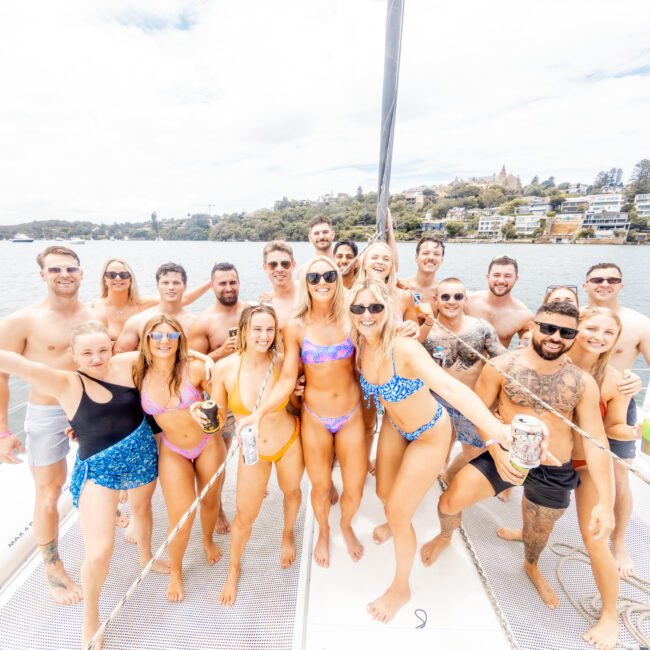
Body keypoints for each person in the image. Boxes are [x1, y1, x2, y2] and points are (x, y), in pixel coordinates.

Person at [421, 301, 615, 620]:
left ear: (574, 336)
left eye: (566, 332)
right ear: (533, 326)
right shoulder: (501, 365)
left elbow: (596, 443)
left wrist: (605, 503)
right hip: (506, 454)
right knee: (449, 499)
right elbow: (478, 413)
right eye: (548, 327)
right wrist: (495, 451)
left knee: (538, 534)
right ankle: (444, 536)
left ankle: (531, 565)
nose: (556, 336)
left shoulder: (583, 383)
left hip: (553, 468)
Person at [349, 278, 512, 623]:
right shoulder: (361, 344)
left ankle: (400, 586)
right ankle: (395, 522)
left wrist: (495, 430)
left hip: (428, 433)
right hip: (395, 425)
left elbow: (449, 387)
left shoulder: (404, 349)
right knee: (382, 492)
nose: (366, 314)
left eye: (375, 307)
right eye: (359, 307)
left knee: (397, 511)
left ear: (389, 311)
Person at [0, 321, 162, 649]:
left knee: (142, 509)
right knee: (100, 551)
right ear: (73, 355)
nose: (96, 358)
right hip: (100, 471)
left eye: (103, 349)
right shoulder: (63, 382)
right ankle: (90, 617)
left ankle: (146, 556)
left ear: (112, 347)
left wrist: (210, 363)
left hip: (143, 453)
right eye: (86, 352)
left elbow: (177, 357)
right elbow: (16, 363)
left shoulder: (130, 363)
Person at [500, 305, 639, 650]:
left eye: (609, 334)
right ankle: (527, 535)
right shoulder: (546, 360)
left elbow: (613, 428)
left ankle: (609, 615)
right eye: (592, 328)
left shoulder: (617, 380)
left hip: (587, 462)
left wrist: (631, 431)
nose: (599, 338)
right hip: (546, 456)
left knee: (594, 537)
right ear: (577, 328)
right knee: (535, 505)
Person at [240, 256, 366, 568]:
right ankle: (323, 531)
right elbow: (286, 378)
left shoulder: (353, 319)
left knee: (354, 487)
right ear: (305, 285)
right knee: (321, 487)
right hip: (315, 417)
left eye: (328, 276)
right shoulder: (295, 326)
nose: (322, 282)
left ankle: (345, 525)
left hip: (351, 414)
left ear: (338, 279)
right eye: (314, 278)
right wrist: (261, 413)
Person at [0, 246, 101, 605]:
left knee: (105, 475)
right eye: (55, 269)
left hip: (90, 407)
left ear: (82, 273)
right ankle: (53, 565)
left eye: (71, 268)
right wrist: (3, 433)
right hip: (47, 411)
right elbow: (2, 377)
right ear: (42, 274)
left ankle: (112, 511)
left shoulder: (95, 314)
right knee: (49, 489)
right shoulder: (21, 322)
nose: (64, 274)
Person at [192, 305, 304, 606]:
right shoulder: (226, 368)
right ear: (243, 330)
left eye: (270, 330)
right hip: (253, 451)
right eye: (257, 329)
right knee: (245, 516)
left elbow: (295, 401)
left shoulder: (283, 362)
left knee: (292, 491)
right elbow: (217, 416)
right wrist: (203, 416)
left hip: (289, 440)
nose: (264, 336)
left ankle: (287, 534)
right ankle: (234, 567)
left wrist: (298, 392)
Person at [135, 315, 226, 602]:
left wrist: (208, 412)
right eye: (157, 335)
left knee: (211, 501)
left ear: (179, 340)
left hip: (207, 443)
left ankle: (208, 539)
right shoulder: (137, 373)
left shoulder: (196, 369)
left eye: (171, 336)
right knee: (182, 518)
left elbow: (220, 413)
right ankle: (176, 570)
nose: (164, 341)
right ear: (147, 340)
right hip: (173, 450)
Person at [423, 278, 505, 482]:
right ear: (436, 300)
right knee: (437, 449)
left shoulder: (481, 327)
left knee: (475, 451)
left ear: (465, 299)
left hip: (473, 400)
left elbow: (502, 360)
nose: (452, 301)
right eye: (445, 296)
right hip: (438, 402)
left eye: (458, 296)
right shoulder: (426, 333)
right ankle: (437, 471)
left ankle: (449, 474)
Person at [583, 262, 650, 439]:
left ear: (621, 285)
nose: (605, 284)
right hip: (576, 395)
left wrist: (637, 381)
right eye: (597, 279)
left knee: (618, 462)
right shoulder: (573, 317)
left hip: (618, 399)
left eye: (612, 280)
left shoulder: (640, 323)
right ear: (585, 285)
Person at [91, 258, 210, 341]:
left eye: (123, 275)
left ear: (130, 279)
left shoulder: (144, 304)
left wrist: (211, 282)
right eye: (111, 275)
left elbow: (180, 299)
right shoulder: (93, 309)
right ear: (104, 279)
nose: (118, 278)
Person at [115, 262, 196, 352]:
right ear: (157, 286)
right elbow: (119, 353)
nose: (171, 287)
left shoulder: (194, 323)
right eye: (165, 283)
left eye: (176, 283)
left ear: (184, 286)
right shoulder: (138, 321)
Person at [358, 241, 425, 340]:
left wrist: (413, 327)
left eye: (386, 259)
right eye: (374, 257)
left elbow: (415, 339)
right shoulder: (351, 296)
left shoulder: (405, 297)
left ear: (391, 267)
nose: (380, 262)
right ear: (364, 264)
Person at [465, 255, 534, 347]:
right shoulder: (467, 301)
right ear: (488, 277)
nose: (501, 280)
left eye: (507, 276)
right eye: (496, 275)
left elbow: (527, 349)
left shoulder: (524, 316)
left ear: (516, 278)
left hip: (496, 360)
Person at [258, 242, 298, 330]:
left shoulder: (308, 290)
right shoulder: (267, 304)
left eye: (285, 264)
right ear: (265, 267)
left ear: (293, 265)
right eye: (273, 265)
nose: (279, 269)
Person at [398, 236, 445, 305]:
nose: (431, 257)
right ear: (416, 258)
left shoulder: (444, 293)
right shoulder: (399, 285)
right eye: (426, 253)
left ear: (441, 260)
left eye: (436, 254)